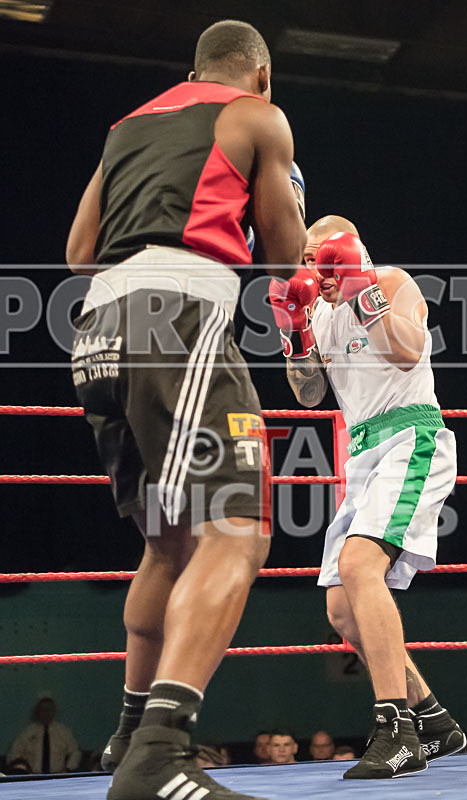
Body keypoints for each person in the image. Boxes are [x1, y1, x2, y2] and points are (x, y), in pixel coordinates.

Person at [66, 19, 306, 800]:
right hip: (175, 314)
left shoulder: (126, 127)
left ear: (195, 69)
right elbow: (286, 258)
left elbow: (78, 252)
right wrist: (290, 214)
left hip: (97, 329)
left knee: (167, 543)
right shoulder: (258, 117)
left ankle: (129, 735)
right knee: (239, 529)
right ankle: (161, 753)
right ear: (260, 74)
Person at [270, 215, 466, 779]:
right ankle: (434, 720)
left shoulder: (393, 281)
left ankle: (396, 731)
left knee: (360, 566)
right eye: (306, 260)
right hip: (362, 454)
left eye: (321, 257)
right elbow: (310, 395)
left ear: (349, 253)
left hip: (411, 437)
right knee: (341, 608)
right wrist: (295, 331)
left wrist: (363, 291)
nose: (313, 269)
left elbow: (407, 351)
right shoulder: (317, 310)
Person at [7, 697, 80, 774]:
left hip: (58, 775)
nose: (46, 713)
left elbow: (75, 752)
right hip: (33, 776)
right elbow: (13, 754)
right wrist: (23, 769)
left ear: (54, 711)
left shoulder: (64, 732)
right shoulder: (27, 732)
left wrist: (69, 768)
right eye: (43, 710)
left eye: (49, 709)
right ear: (38, 712)